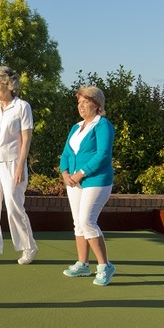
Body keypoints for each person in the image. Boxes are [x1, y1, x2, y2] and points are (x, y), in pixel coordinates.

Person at [0, 66, 38, 266]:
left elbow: (26, 139)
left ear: (9, 85)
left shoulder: (22, 107)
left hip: (13, 162)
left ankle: (28, 247)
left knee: (13, 206)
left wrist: (21, 166)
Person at [59, 85, 116, 286]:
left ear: (97, 104)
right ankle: (83, 264)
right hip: (74, 182)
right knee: (78, 223)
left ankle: (105, 266)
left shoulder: (103, 125)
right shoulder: (76, 127)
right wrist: (65, 173)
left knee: (87, 221)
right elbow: (66, 153)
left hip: (97, 180)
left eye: (85, 102)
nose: (81, 106)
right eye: (79, 102)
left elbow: (103, 154)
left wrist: (80, 173)